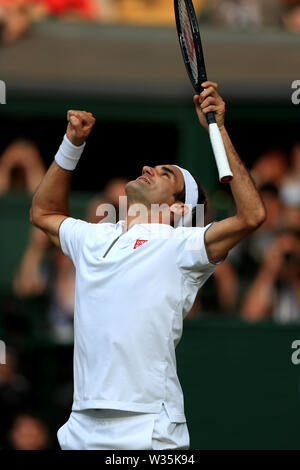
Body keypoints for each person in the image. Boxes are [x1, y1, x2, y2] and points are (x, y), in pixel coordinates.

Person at [30, 81, 266, 450]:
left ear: (178, 208)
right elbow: (43, 212)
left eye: (165, 173)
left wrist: (217, 131)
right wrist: (72, 144)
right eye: (154, 166)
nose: (148, 169)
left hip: (150, 429)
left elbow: (252, 216)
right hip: (80, 426)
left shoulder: (183, 246)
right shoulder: (93, 238)